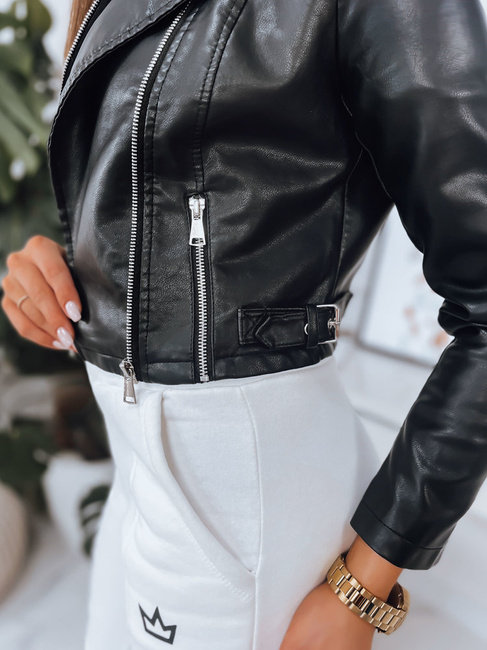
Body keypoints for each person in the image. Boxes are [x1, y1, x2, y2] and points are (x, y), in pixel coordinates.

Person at [2, 0, 487, 647]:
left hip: (243, 506)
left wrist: (361, 590)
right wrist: (57, 269)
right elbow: (154, 200)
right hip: (139, 475)